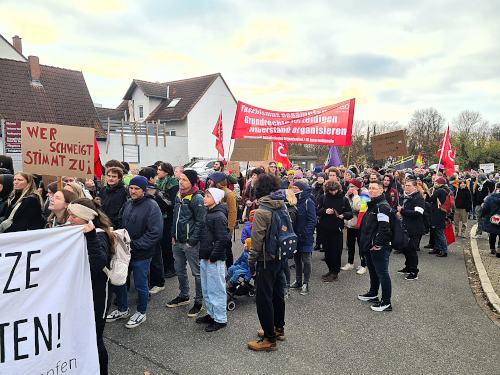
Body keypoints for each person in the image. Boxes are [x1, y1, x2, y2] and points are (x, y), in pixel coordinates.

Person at [106, 176, 163, 328]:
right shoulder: (128, 203)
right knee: (120, 280)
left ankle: (141, 312)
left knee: (140, 284)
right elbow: (120, 222)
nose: (133, 191)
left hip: (141, 253)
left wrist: (135, 245)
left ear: (144, 190)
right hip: (124, 252)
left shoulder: (152, 206)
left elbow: (155, 232)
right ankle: (123, 309)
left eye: (137, 188)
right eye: (131, 188)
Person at [67, 198, 112, 375]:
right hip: (82, 293)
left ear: (86, 218)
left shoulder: (99, 235)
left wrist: (91, 237)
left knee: (95, 338)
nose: (69, 219)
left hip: (98, 294)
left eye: (74, 216)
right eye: (69, 214)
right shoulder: (75, 231)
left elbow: (98, 263)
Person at [247, 174, 287, 351]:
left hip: (265, 259)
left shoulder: (262, 211)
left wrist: (251, 260)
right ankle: (278, 328)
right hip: (280, 255)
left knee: (263, 299)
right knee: (277, 295)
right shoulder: (281, 204)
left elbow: (256, 241)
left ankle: (269, 340)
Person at [167, 169, 206, 317]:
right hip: (177, 241)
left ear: (192, 182)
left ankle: (199, 302)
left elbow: (201, 222)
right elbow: (175, 217)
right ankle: (184, 296)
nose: (180, 182)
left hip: (191, 243)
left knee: (196, 273)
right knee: (179, 270)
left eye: (184, 180)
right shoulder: (178, 195)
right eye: (180, 179)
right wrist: (173, 234)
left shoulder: (197, 198)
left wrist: (192, 241)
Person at [196, 188, 230, 331]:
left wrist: (214, 256)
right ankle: (211, 313)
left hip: (214, 258)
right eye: (205, 195)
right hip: (206, 255)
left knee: (216, 288)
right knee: (207, 287)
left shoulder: (218, 216)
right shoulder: (208, 213)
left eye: (208, 196)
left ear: (216, 199)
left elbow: (222, 239)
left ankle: (220, 319)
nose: (205, 198)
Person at [357, 180, 393, 312]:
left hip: (378, 247)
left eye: (374, 188)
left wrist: (378, 244)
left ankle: (386, 302)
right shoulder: (373, 204)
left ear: (381, 190)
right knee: (373, 271)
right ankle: (373, 293)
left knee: (382, 273)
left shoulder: (382, 206)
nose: (371, 190)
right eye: (370, 188)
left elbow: (385, 228)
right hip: (369, 246)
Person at [317, 181, 353, 282]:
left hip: (337, 230)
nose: (333, 192)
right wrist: (325, 211)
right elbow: (317, 211)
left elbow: (350, 213)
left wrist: (343, 215)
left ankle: (335, 273)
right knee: (327, 253)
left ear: (339, 189)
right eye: (331, 190)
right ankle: (330, 270)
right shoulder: (322, 197)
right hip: (324, 229)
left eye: (335, 190)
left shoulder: (343, 199)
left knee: (336, 253)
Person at [289, 180, 316, 296]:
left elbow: (312, 220)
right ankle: (298, 281)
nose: (294, 189)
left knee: (306, 260)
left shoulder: (308, 201)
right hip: (294, 236)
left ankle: (306, 283)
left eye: (296, 187)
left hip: (305, 237)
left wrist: (306, 233)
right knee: (297, 260)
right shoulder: (292, 201)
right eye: (293, 187)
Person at [397, 178, 425, 280]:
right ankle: (408, 267)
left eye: (408, 185)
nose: (406, 187)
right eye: (405, 185)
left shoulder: (418, 198)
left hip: (415, 229)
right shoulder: (406, 197)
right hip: (405, 227)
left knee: (412, 250)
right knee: (405, 249)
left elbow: (418, 213)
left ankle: (414, 272)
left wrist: (403, 211)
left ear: (414, 187)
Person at [209, 172, 237, 268]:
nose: (209, 181)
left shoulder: (228, 194)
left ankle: (230, 271)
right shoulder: (211, 191)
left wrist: (229, 229)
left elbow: (232, 212)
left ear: (217, 181)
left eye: (212, 180)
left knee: (227, 251)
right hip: (214, 226)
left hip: (224, 227)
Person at [342, 179, 367, 274]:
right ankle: (350, 263)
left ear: (358, 187)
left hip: (360, 225)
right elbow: (345, 208)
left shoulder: (364, 196)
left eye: (353, 186)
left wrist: (356, 195)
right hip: (350, 224)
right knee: (350, 245)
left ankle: (364, 265)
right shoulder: (349, 195)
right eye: (350, 186)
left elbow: (359, 207)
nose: (350, 188)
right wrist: (347, 196)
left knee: (361, 246)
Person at [428, 177, 450, 257]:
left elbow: (431, 199)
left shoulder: (439, 191)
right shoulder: (446, 190)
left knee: (439, 233)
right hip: (441, 213)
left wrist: (429, 191)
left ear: (440, 184)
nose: (434, 183)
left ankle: (444, 250)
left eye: (436, 183)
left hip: (438, 213)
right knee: (437, 232)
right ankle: (437, 248)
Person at [480, 182, 500, 256]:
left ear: (496, 188)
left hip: (492, 219)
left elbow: (485, 208)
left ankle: (492, 248)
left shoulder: (490, 197)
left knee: (492, 234)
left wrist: (482, 215)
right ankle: (499, 251)